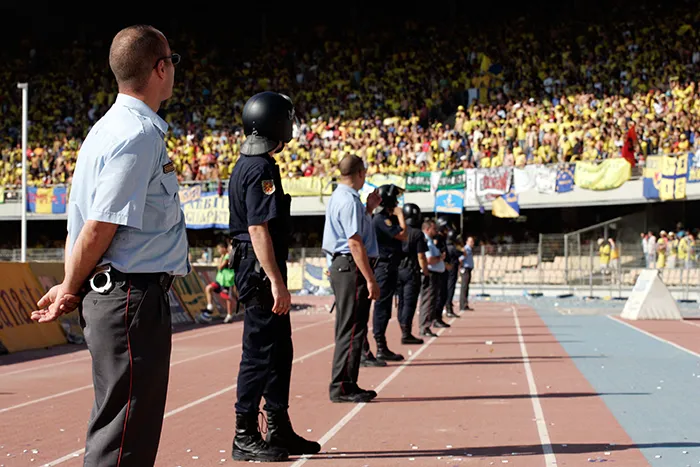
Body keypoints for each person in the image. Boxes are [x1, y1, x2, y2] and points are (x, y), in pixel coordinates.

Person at [30, 25, 188, 467]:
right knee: (124, 436)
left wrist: (71, 283)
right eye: (172, 61)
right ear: (160, 68)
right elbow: (99, 227)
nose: (173, 70)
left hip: (120, 296)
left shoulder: (104, 129)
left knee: (122, 426)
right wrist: (68, 286)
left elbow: (79, 222)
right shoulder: (136, 134)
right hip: (130, 299)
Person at [227, 91, 319, 462]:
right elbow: (257, 229)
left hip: (258, 267)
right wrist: (277, 282)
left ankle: (279, 428)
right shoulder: (260, 168)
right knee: (259, 353)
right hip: (259, 270)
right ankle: (244, 433)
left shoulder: (250, 164)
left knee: (280, 351)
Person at [322, 154, 382, 403]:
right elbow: (354, 242)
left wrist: (368, 209)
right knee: (352, 329)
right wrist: (370, 278)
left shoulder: (344, 197)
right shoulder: (347, 201)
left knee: (351, 328)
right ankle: (342, 387)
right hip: (350, 267)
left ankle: (347, 383)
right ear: (360, 173)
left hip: (345, 266)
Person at [363, 183, 407, 363]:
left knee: (386, 308)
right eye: (395, 198)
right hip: (384, 266)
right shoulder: (382, 219)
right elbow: (404, 235)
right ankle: (380, 346)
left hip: (390, 266)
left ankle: (383, 346)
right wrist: (401, 215)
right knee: (381, 308)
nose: (397, 202)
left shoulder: (386, 218)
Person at [396, 203, 428, 344]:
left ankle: (403, 330)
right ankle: (406, 333)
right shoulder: (417, 233)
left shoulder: (398, 231)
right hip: (411, 270)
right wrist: (425, 272)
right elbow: (421, 256)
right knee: (409, 303)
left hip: (397, 270)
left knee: (401, 302)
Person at [418, 219, 445, 337]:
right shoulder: (426, 241)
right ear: (427, 229)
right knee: (428, 300)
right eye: (434, 229)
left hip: (434, 273)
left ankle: (426, 325)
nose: (436, 231)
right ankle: (425, 327)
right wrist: (440, 258)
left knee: (431, 300)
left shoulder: (430, 241)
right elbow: (428, 259)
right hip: (431, 273)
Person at [205, 241, 237, 323]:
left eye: (219, 249)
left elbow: (220, 266)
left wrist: (220, 260)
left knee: (227, 298)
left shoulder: (227, 256)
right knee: (208, 288)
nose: (218, 250)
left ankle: (229, 314)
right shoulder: (222, 256)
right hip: (219, 280)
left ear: (224, 248)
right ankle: (210, 306)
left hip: (227, 281)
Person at [443, 229, 462, 319]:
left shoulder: (446, 246)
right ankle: (449, 309)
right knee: (450, 290)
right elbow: (463, 253)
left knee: (447, 289)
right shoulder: (453, 248)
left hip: (448, 270)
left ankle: (448, 307)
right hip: (451, 271)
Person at [459, 236, 475, 311]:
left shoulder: (469, 249)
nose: (472, 243)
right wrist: (461, 267)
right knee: (464, 287)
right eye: (471, 241)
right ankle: (463, 305)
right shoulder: (466, 249)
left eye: (473, 241)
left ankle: (465, 304)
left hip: (468, 269)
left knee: (466, 287)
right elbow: (461, 259)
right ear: (467, 242)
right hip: (465, 269)